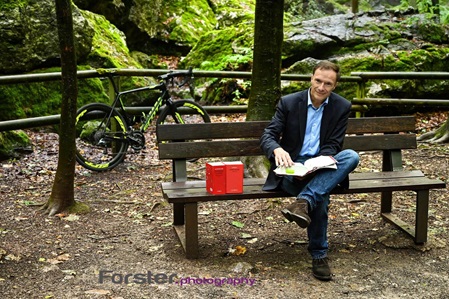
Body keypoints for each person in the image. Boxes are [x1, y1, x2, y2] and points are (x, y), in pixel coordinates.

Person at [260, 60, 360, 281]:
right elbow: (268, 135)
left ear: (334, 86)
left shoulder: (341, 106)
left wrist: (318, 163)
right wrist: (277, 149)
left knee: (351, 156)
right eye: (318, 81)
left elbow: (334, 145)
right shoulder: (289, 102)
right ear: (311, 78)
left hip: (319, 166)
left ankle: (303, 201)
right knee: (321, 196)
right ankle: (319, 255)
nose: (321, 87)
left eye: (328, 83)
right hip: (290, 169)